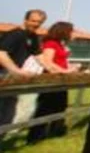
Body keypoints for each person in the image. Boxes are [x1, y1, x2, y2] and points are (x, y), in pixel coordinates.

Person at [26, 21, 79, 144]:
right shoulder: (50, 44)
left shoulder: (60, 44)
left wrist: (70, 68)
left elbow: (60, 61)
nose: (73, 33)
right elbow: (48, 62)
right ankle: (35, 137)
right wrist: (66, 71)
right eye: (71, 31)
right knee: (44, 108)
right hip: (51, 80)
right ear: (64, 31)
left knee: (60, 106)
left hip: (60, 80)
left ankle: (55, 131)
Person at [0, 9, 46, 141]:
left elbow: (39, 56)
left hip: (12, 77)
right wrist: (16, 71)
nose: (36, 24)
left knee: (8, 113)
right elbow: (1, 54)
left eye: (39, 22)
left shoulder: (32, 37)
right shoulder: (14, 35)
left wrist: (54, 69)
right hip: (4, 74)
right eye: (33, 21)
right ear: (25, 20)